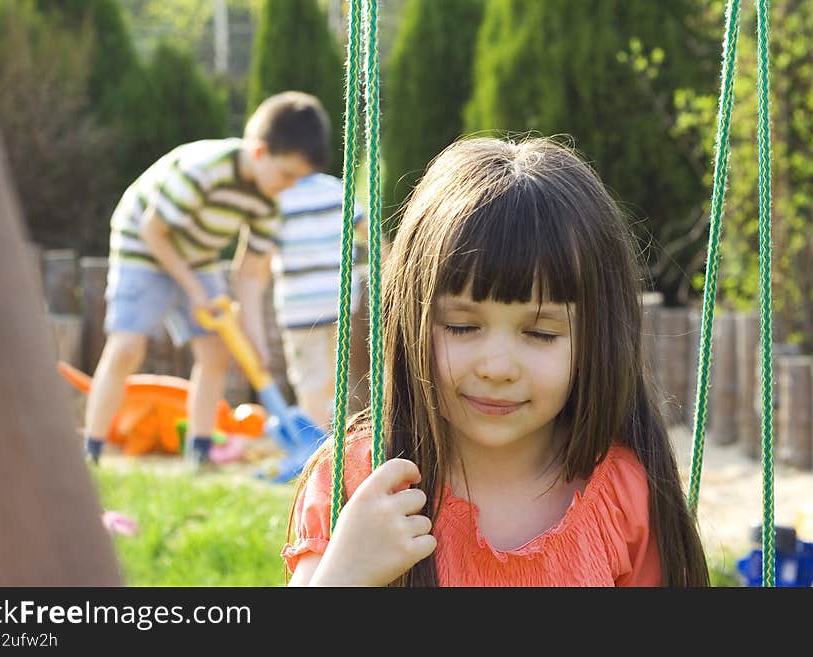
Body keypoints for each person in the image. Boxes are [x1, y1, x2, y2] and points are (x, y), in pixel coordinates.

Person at [281, 136, 710, 586]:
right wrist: (344, 573)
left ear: (594, 341)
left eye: (540, 333)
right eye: (462, 327)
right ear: (411, 320)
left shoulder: (626, 498)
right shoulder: (357, 483)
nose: (497, 367)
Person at [82, 91, 331, 468]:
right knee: (127, 346)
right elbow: (153, 229)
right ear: (260, 152)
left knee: (216, 353)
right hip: (143, 244)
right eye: (286, 175)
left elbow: (248, 274)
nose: (289, 186)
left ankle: (198, 454)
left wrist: (256, 343)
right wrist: (195, 291)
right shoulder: (206, 168)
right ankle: (92, 450)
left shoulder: (268, 201)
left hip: (197, 254)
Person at [270, 172, 367, 429]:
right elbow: (369, 232)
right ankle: (334, 438)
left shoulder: (278, 196)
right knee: (335, 377)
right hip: (339, 298)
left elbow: (262, 253)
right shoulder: (335, 189)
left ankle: (315, 445)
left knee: (309, 378)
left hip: (299, 305)